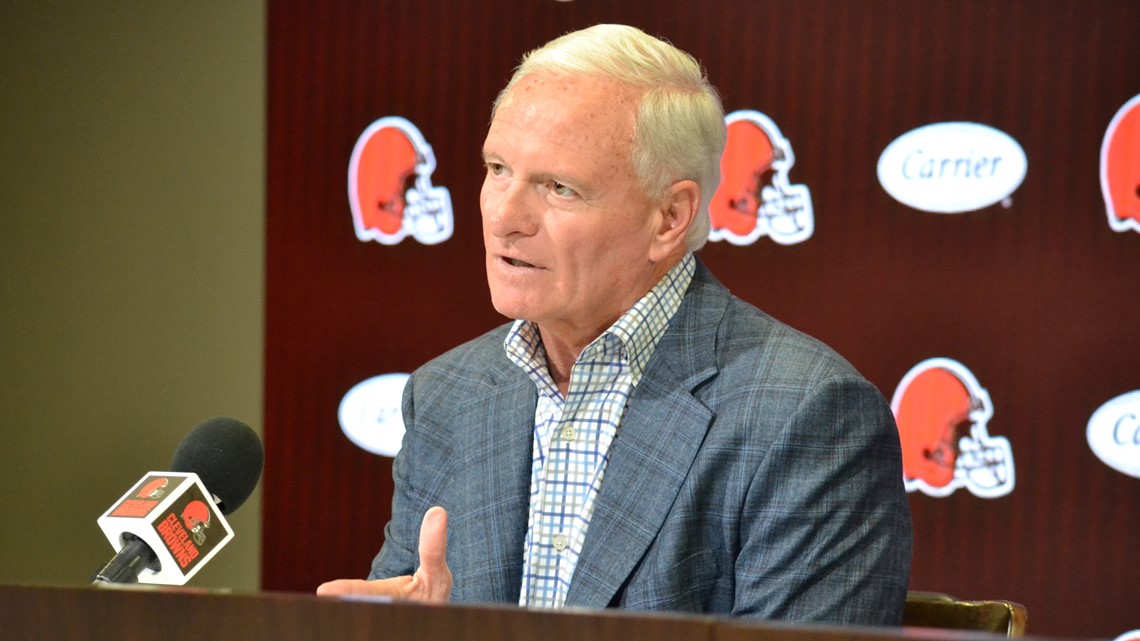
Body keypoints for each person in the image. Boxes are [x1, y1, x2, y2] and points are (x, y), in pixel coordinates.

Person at [318, 23, 912, 625]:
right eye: (497, 169)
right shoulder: (448, 396)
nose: (503, 217)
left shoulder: (808, 416)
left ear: (669, 218)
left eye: (558, 187)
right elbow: (404, 601)